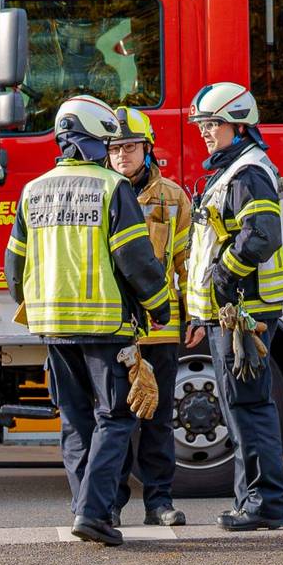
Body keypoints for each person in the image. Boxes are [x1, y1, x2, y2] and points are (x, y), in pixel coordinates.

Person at [6, 95, 172, 547]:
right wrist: (159, 306)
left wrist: (35, 304)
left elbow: (13, 268)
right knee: (116, 417)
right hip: (105, 326)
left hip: (54, 330)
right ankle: (95, 514)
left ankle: (83, 506)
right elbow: (137, 260)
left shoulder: (33, 189)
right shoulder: (111, 188)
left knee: (76, 422)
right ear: (94, 140)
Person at [184, 81, 283, 531]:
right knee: (241, 406)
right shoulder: (232, 171)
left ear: (239, 125)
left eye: (213, 124)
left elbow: (262, 236)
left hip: (244, 311)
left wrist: (225, 274)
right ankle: (249, 500)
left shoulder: (247, 173)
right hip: (232, 311)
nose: (205, 132)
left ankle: (266, 503)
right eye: (202, 124)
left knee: (249, 407)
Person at [106, 106, 193, 528]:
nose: (122, 154)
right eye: (114, 147)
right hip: (115, 328)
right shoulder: (102, 192)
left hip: (160, 329)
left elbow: (185, 262)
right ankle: (112, 504)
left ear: (147, 148)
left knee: (158, 421)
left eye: (130, 146)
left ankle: (159, 502)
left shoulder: (173, 198)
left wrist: (194, 315)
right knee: (117, 421)